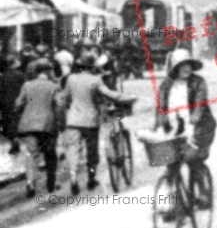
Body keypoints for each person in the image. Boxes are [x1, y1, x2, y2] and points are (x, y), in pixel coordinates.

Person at [64, 50, 135, 194]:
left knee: (73, 150)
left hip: (73, 120)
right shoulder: (96, 80)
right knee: (92, 152)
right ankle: (91, 178)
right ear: (92, 67)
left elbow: (65, 97)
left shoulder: (71, 79)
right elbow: (108, 94)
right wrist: (125, 97)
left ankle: (73, 179)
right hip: (90, 121)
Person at [156, 48, 217, 161]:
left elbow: (200, 105)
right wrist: (160, 126)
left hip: (199, 128)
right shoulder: (166, 84)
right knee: (171, 163)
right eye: (182, 65)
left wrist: (192, 125)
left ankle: (198, 177)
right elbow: (161, 107)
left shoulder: (198, 82)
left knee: (193, 161)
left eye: (188, 64)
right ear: (175, 67)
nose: (186, 68)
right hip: (175, 129)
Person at [15, 59, 62, 197]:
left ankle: (30, 182)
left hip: (28, 124)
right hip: (47, 124)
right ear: (48, 71)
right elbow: (59, 105)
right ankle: (51, 183)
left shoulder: (27, 85)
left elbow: (18, 103)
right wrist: (60, 122)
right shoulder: (54, 86)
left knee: (31, 154)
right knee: (50, 154)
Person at [0, 54, 25, 154]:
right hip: (18, 101)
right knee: (17, 121)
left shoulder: (4, 76)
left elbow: (1, 90)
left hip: (6, 102)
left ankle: (13, 140)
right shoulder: (20, 75)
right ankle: (16, 140)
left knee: (8, 123)